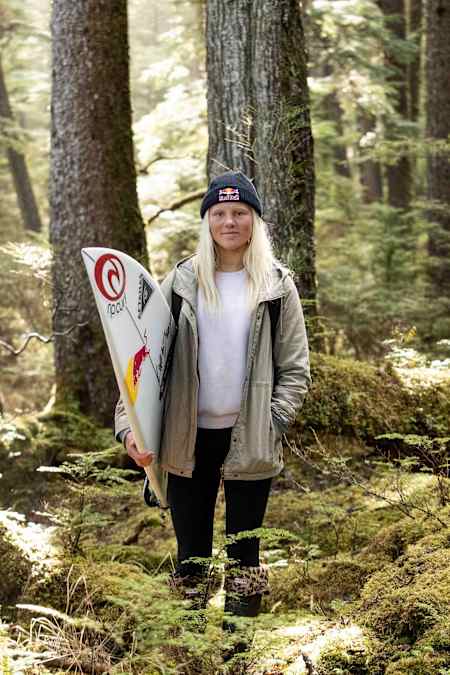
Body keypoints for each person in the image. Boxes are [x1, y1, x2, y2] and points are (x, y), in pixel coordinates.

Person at [115, 170, 311, 620]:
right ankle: (192, 650)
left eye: (240, 212)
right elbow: (136, 361)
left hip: (250, 436)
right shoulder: (182, 283)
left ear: (254, 221)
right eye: (219, 213)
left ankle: (239, 651)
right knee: (192, 554)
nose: (229, 222)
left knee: (244, 553)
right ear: (206, 221)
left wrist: (272, 420)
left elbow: (296, 367)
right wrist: (130, 428)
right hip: (187, 436)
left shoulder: (276, 285)